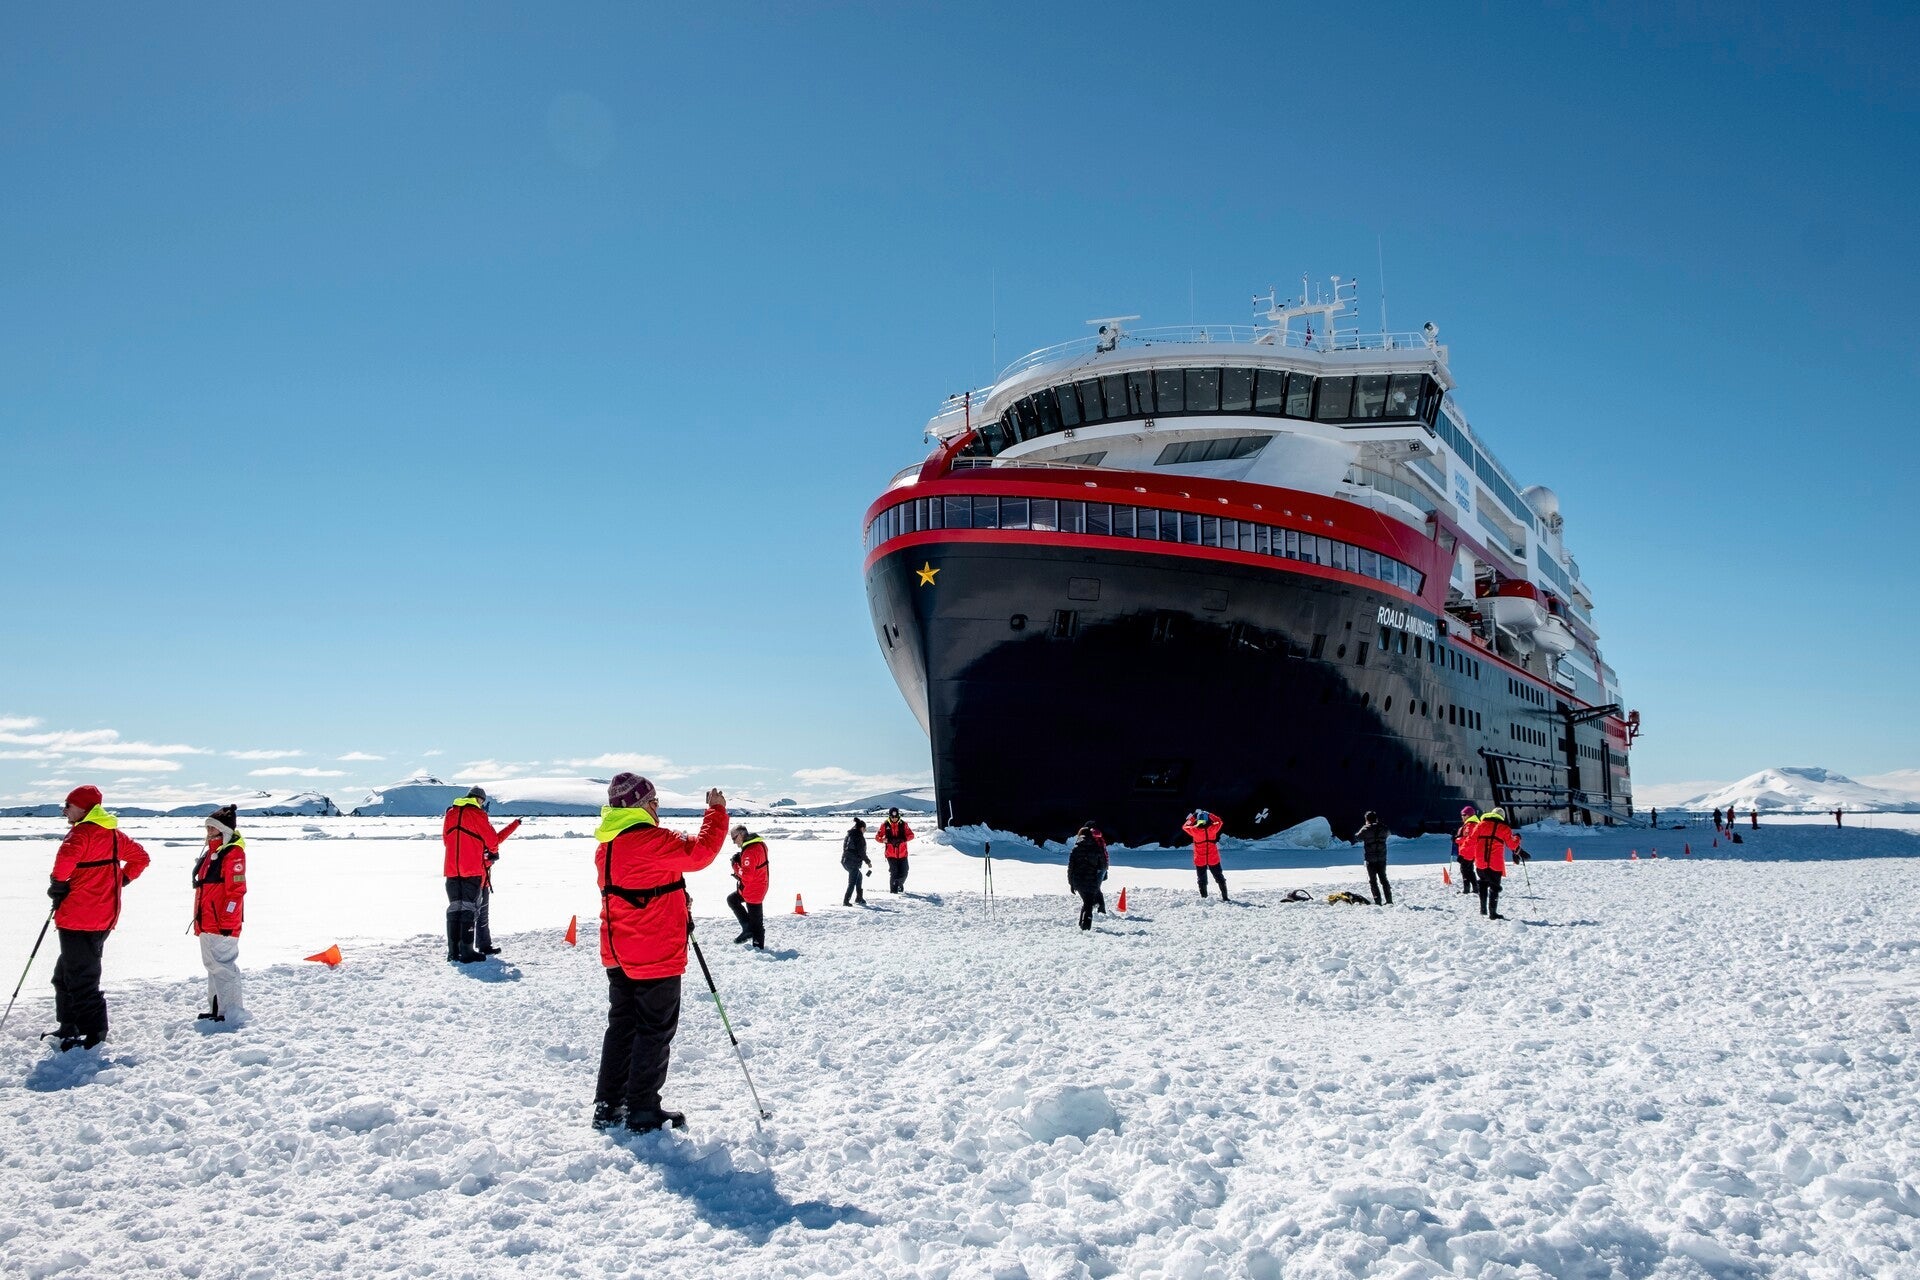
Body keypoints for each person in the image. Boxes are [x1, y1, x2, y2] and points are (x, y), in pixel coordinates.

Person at [591, 773, 728, 1133]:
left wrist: (672, 894)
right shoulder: (648, 839)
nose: (656, 809)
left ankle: (609, 1105)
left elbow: (638, 887)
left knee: (622, 1027)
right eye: (653, 803)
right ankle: (643, 1110)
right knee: (653, 1030)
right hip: (652, 953)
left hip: (619, 952)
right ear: (639, 805)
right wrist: (715, 812)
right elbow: (700, 853)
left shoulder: (608, 845)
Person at [46, 786, 151, 1051]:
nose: (64, 809)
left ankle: (93, 1034)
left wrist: (58, 885)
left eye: (68, 805)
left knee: (81, 977)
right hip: (103, 916)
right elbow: (141, 858)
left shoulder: (81, 834)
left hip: (78, 917)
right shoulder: (114, 835)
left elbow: (64, 862)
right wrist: (121, 880)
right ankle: (70, 1025)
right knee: (66, 974)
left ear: (84, 808)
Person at [441, 786, 518, 963]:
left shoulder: (451, 813)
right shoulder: (477, 814)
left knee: (454, 908)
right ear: (478, 800)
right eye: (482, 802)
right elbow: (492, 840)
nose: (482, 805)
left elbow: (447, 840)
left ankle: (453, 952)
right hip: (471, 869)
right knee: (468, 908)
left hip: (452, 869)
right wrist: (491, 853)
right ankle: (467, 951)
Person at [191, 804, 248, 1025]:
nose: (208, 832)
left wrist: (227, 919)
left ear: (223, 829)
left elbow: (236, 891)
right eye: (207, 828)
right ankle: (217, 1009)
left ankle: (231, 1012)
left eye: (212, 828)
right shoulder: (212, 853)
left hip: (221, 924)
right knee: (213, 966)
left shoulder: (233, 854)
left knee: (223, 966)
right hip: (207, 921)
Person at [1469, 807, 1522, 921]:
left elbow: (1470, 840)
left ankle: (1483, 909)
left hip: (1481, 862)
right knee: (1494, 887)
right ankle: (1493, 913)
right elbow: (1512, 845)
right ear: (1502, 817)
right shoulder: (1504, 828)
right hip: (1495, 863)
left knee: (1482, 884)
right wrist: (1517, 838)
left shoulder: (1480, 825)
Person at [727, 826, 770, 950]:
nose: (734, 842)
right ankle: (747, 928)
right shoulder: (759, 844)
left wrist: (735, 865)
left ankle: (758, 948)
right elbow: (755, 865)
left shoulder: (750, 851)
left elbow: (747, 876)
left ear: (741, 835)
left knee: (757, 924)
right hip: (758, 886)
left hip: (753, 891)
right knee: (732, 900)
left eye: (734, 838)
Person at [1066, 825, 1109, 930]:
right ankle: (1085, 927)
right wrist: (1102, 874)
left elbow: (1071, 867)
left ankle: (1082, 924)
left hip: (1077, 880)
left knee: (1087, 902)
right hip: (1092, 879)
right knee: (1088, 903)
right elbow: (1103, 865)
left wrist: (1071, 883)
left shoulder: (1075, 849)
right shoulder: (1097, 848)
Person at [1182, 809, 1228, 900]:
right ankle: (1225, 897)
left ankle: (1204, 898)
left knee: (1202, 879)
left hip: (1200, 860)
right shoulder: (1213, 829)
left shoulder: (1194, 830)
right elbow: (1219, 821)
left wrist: (1193, 816)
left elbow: (1185, 826)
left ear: (1198, 821)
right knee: (1219, 877)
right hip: (1213, 858)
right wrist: (1209, 813)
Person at [1354, 811, 1392, 905]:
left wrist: (1365, 827)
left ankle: (1378, 901)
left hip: (1370, 859)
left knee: (1373, 881)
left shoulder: (1366, 829)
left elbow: (1357, 837)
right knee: (1384, 879)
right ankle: (1389, 900)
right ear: (1376, 818)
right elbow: (1388, 833)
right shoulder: (1383, 828)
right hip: (1382, 857)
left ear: (1367, 819)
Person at [877, 809, 915, 893]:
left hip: (903, 854)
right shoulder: (884, 825)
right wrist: (883, 840)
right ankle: (893, 892)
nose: (894, 818)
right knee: (894, 872)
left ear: (898, 816)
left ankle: (899, 884)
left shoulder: (904, 824)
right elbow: (877, 837)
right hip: (890, 854)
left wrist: (903, 839)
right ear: (890, 816)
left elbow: (911, 835)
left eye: (896, 817)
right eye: (892, 817)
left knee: (904, 872)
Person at [841, 818, 872, 905]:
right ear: (861, 828)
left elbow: (845, 848)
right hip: (852, 862)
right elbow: (861, 852)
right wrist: (868, 861)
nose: (865, 831)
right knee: (852, 881)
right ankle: (846, 901)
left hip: (845, 860)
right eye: (865, 829)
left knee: (859, 876)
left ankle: (859, 898)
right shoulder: (858, 836)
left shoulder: (850, 834)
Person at [1453, 805, 1480, 896]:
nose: (1462, 817)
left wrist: (1457, 840)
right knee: (1469, 869)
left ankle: (1466, 888)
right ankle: (1475, 887)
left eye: (1464, 815)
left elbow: (1469, 839)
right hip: (1470, 851)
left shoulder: (1470, 825)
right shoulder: (1472, 824)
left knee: (1464, 869)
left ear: (1468, 815)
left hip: (1467, 852)